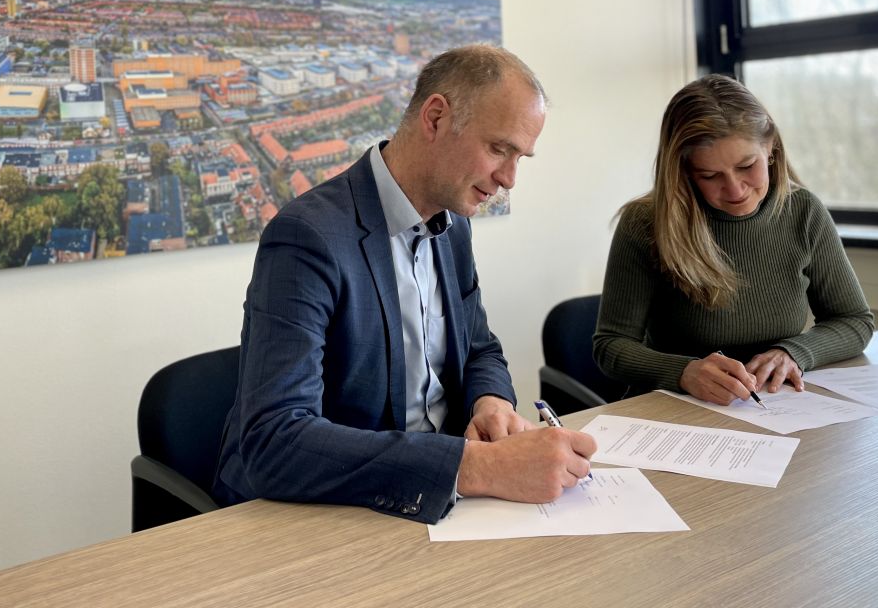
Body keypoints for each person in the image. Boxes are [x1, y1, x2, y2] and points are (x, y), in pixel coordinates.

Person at [214, 45, 596, 524]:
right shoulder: (308, 236)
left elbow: (480, 348)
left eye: (520, 156)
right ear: (435, 118)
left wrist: (491, 401)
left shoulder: (453, 225)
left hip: (438, 506)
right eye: (499, 148)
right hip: (323, 517)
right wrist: (475, 466)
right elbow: (275, 441)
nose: (509, 178)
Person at [593, 74, 874, 406]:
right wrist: (684, 371)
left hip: (776, 404)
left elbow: (855, 321)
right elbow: (611, 345)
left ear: (770, 148)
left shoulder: (803, 211)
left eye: (746, 166)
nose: (736, 190)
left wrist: (793, 353)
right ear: (683, 171)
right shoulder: (646, 223)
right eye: (710, 176)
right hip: (676, 410)